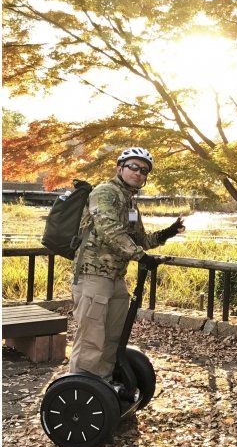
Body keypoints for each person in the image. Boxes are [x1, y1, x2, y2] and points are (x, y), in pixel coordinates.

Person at [70, 147, 185, 383]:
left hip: (115, 277)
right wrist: (140, 256)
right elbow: (109, 230)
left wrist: (168, 232)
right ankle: (80, 388)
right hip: (93, 275)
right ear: (120, 167)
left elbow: (139, 239)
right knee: (91, 337)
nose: (138, 173)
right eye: (133, 166)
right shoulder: (105, 192)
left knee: (113, 336)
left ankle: (104, 384)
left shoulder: (131, 204)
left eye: (144, 170)